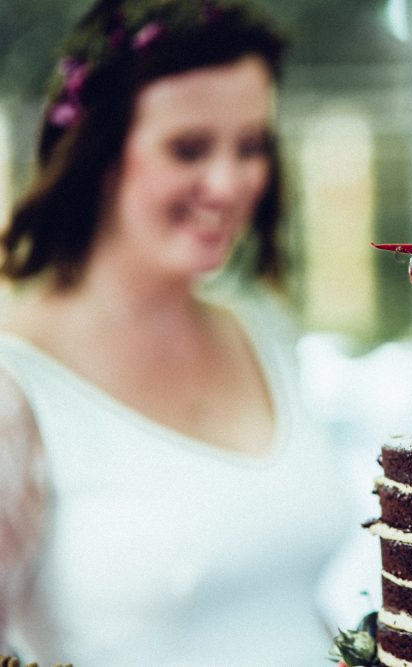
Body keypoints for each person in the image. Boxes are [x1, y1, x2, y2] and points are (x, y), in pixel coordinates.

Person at [0, 2, 345, 664]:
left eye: (251, 147)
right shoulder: (16, 383)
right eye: (188, 148)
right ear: (101, 155)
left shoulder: (260, 327)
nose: (228, 185)